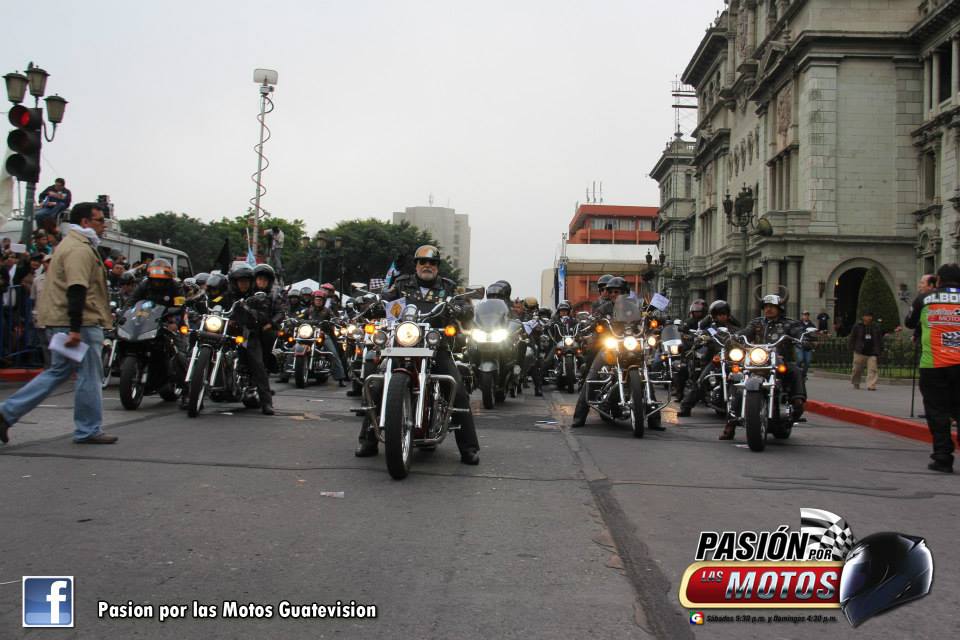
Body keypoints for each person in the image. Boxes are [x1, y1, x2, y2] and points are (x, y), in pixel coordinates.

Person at [0, 202, 116, 445]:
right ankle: (88, 429)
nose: (103, 225)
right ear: (85, 222)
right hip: (80, 323)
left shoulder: (71, 244)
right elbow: (77, 288)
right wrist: (75, 328)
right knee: (89, 375)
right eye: (99, 220)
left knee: (57, 371)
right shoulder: (80, 249)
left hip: (64, 320)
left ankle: (6, 413)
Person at [355, 244, 480, 465]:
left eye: (432, 262)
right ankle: (368, 440)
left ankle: (468, 448)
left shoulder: (448, 287)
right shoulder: (402, 284)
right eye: (423, 262)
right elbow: (385, 299)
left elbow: (466, 308)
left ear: (437, 266)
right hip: (402, 343)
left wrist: (459, 309)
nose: (427, 266)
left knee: (457, 388)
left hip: (435, 345)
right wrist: (372, 305)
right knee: (377, 384)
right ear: (416, 265)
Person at [723, 294, 807, 440]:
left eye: (772, 307)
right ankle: (730, 425)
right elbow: (744, 333)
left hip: (781, 360)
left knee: (795, 370)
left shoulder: (789, 324)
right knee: (740, 381)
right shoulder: (757, 323)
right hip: (758, 361)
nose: (768, 309)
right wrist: (734, 337)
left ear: (779, 308)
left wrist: (805, 338)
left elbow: (800, 334)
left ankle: (797, 402)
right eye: (766, 307)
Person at [905, 263, 960, 473]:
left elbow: (909, 322)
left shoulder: (925, 299)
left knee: (937, 411)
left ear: (938, 280)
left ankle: (943, 457)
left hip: (934, 364)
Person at [571, 277, 633, 428]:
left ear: (625, 293)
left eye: (617, 292)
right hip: (611, 346)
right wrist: (590, 324)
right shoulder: (604, 308)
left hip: (631, 346)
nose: (613, 294)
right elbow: (594, 319)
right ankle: (579, 416)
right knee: (592, 376)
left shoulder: (634, 307)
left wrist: (655, 318)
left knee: (645, 373)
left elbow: (646, 318)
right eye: (611, 292)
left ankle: (654, 418)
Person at [225, 264, 275, 415]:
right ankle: (190, 394)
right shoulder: (228, 295)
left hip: (248, 334)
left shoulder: (257, 296)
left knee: (258, 365)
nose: (243, 284)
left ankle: (267, 402)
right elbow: (215, 304)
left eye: (246, 281)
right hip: (227, 332)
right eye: (240, 281)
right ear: (235, 282)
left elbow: (263, 315)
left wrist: (250, 312)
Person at [678, 300, 739, 417]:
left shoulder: (734, 329)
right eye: (719, 314)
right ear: (714, 316)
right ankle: (686, 407)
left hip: (732, 360)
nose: (722, 316)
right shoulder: (710, 329)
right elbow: (700, 336)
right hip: (714, 360)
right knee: (702, 380)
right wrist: (700, 339)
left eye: (724, 314)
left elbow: (743, 336)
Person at [849, 310, 882, 391]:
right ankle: (856, 382)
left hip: (872, 352)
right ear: (863, 317)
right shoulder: (857, 326)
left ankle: (871, 385)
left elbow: (879, 339)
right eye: (867, 316)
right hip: (860, 351)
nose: (869, 318)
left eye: (870, 316)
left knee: (873, 369)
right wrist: (852, 347)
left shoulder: (876, 327)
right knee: (857, 369)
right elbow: (852, 337)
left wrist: (879, 349)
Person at [798, 311, 817, 379]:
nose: (806, 316)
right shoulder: (798, 324)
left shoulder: (812, 325)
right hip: (799, 344)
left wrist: (815, 341)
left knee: (808, 361)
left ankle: (803, 375)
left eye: (807, 315)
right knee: (800, 359)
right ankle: (797, 373)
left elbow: (814, 334)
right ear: (802, 316)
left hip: (808, 344)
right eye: (804, 315)